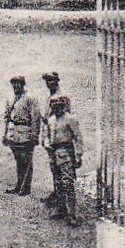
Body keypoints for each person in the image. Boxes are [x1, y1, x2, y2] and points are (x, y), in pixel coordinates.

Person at [46, 94, 83, 226]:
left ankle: (72, 213)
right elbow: (47, 135)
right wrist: (47, 144)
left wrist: (78, 155)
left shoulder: (70, 119)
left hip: (66, 152)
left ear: (63, 105)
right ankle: (61, 209)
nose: (56, 107)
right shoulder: (51, 120)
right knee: (58, 182)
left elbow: (78, 137)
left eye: (59, 105)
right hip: (53, 153)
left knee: (68, 182)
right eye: (53, 105)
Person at [2, 76, 40, 195]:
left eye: (18, 84)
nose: (15, 86)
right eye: (13, 84)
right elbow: (7, 117)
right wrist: (5, 134)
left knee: (26, 161)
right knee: (19, 160)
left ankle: (25, 187)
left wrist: (34, 136)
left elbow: (36, 118)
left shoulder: (30, 98)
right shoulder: (11, 98)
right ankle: (19, 185)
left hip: (26, 132)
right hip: (14, 133)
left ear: (23, 84)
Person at [39, 71, 64, 206]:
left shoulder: (60, 97)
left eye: (51, 81)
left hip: (56, 136)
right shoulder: (50, 96)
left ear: (57, 81)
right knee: (53, 165)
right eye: (47, 81)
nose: (49, 84)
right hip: (48, 134)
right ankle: (56, 191)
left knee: (57, 165)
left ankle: (60, 195)